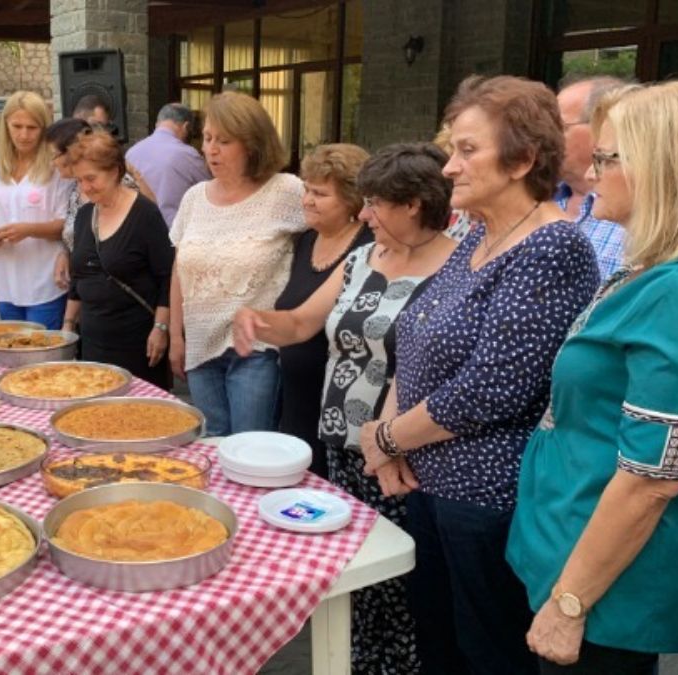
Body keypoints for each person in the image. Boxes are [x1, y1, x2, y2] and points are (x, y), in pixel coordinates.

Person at [358, 75, 600, 675]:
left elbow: (489, 389)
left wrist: (384, 438)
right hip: (428, 484)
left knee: (485, 656)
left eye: (468, 150)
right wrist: (385, 438)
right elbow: (411, 344)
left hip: (486, 501)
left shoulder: (552, 248)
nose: (449, 169)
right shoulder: (478, 236)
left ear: (522, 159)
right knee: (439, 647)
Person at [507, 81, 678, 674]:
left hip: (608, 587)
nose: (593, 170)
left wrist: (570, 602)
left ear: (663, 166)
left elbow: (652, 478)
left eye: (608, 157)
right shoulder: (658, 270)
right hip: (576, 549)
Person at [233, 143, 458, 674]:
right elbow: (303, 323)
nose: (363, 215)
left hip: (401, 459)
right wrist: (257, 318)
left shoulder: (458, 269)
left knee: (399, 587)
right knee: (352, 578)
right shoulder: (362, 258)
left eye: (375, 204)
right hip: (340, 447)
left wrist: (390, 442)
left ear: (414, 205)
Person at [169, 90, 306, 435]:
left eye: (224, 141)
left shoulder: (285, 191)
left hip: (257, 348)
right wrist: (175, 335)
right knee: (211, 443)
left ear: (253, 144)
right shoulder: (194, 198)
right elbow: (178, 269)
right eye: (208, 138)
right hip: (200, 345)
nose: (210, 149)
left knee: (251, 445)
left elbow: (335, 230)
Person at [269, 143, 375, 477]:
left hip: (336, 403)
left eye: (320, 193)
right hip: (295, 397)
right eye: (306, 189)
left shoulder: (370, 246)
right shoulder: (305, 241)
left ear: (352, 200)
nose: (307, 200)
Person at [64, 131, 173, 389]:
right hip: (92, 340)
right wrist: (68, 325)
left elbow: (167, 276)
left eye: (91, 178)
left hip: (137, 341)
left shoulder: (145, 214)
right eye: (79, 181)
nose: (85, 188)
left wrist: (161, 328)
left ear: (114, 171)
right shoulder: (83, 216)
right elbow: (79, 277)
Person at [0, 91, 72, 329]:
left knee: (40, 358)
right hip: (6, 280)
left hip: (45, 280)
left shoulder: (56, 167)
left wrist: (29, 229)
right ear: (6, 126)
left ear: (44, 129)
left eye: (32, 127)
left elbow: (66, 224)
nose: (24, 135)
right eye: (17, 126)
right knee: (11, 355)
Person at [46, 117, 154, 290]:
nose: (51, 163)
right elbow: (79, 237)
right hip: (86, 293)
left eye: (53, 155)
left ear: (70, 151)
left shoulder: (116, 185)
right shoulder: (76, 188)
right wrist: (65, 253)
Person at [556, 77, 628, 279]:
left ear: (604, 125)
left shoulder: (631, 216)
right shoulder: (534, 196)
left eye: (560, 127)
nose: (546, 137)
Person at [126, 103, 211, 228]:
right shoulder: (188, 155)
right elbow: (211, 188)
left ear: (157, 124)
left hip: (137, 230)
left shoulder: (131, 153)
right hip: (173, 233)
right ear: (186, 126)